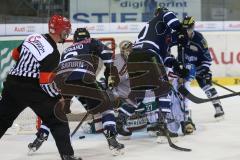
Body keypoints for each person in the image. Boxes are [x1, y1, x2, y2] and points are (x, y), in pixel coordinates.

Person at [29, 28, 124, 155]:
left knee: (57, 111)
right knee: (106, 107)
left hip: (62, 80)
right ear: (87, 37)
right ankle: (111, 137)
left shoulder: (67, 50)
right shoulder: (91, 41)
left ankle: (40, 137)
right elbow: (106, 53)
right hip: (84, 78)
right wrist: (111, 71)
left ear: (74, 40)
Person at [0, 15, 82, 160]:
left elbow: (14, 54)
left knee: (3, 119)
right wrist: (58, 97)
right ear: (60, 31)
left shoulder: (33, 37)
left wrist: (27, 67)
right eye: (66, 30)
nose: (67, 33)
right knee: (58, 120)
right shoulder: (53, 52)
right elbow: (45, 83)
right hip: (34, 89)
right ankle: (68, 156)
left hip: (12, 85)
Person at [125, 6, 189, 138]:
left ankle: (120, 120)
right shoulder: (161, 18)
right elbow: (168, 15)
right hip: (149, 55)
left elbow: (164, 58)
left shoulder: (158, 34)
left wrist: (176, 65)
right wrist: (180, 29)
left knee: (138, 92)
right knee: (164, 90)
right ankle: (162, 123)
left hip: (134, 57)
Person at [174, 16, 224, 119]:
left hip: (199, 67)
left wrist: (203, 70)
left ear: (193, 27)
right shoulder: (179, 37)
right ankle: (183, 111)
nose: (186, 31)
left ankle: (218, 106)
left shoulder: (200, 39)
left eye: (188, 28)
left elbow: (207, 59)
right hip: (185, 68)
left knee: (206, 84)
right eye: (184, 29)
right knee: (180, 87)